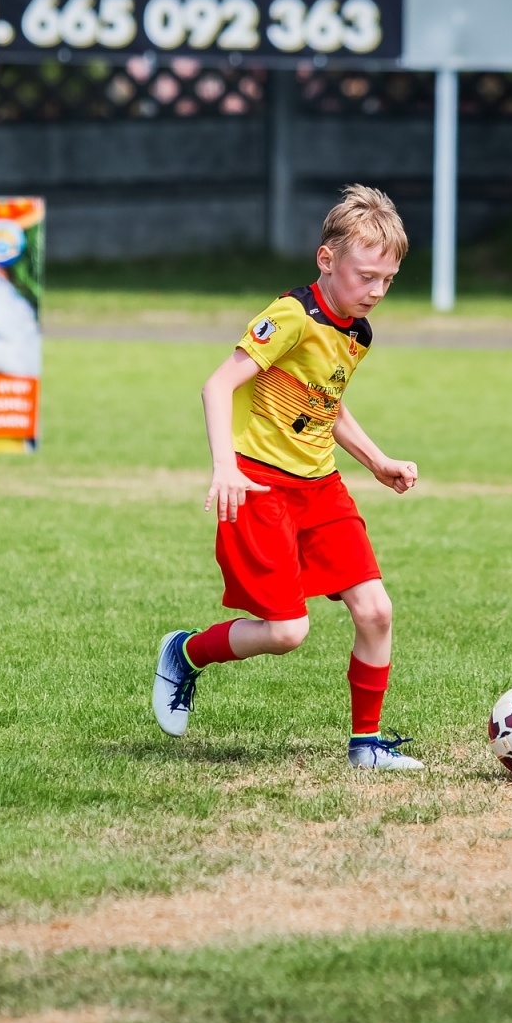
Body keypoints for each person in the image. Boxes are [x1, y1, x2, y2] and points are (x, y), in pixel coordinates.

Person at [152, 185, 424, 770]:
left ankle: (366, 746)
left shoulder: (356, 332)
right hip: (259, 485)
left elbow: (328, 403)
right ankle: (186, 651)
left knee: (376, 610)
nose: (376, 291)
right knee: (286, 631)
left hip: (320, 488)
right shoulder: (291, 317)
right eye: (366, 275)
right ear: (327, 260)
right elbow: (217, 385)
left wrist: (377, 461)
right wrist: (225, 465)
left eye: (388, 281)